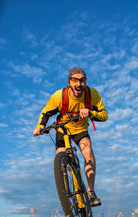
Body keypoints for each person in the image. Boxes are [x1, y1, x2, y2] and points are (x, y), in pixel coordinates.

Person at [33, 67, 108, 207]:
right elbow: (46, 113)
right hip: (63, 129)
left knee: (88, 153)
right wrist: (40, 127)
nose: (78, 84)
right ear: (69, 82)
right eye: (75, 80)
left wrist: (90, 113)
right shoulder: (59, 96)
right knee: (60, 161)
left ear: (85, 82)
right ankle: (66, 193)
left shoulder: (92, 94)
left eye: (82, 80)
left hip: (81, 130)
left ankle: (91, 192)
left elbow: (104, 115)